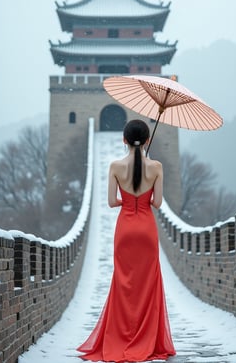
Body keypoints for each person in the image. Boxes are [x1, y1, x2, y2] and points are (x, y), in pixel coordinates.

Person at [77, 119, 176, 362]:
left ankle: (122, 336)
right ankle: (146, 338)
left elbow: (111, 202)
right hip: (146, 229)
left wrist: (127, 202)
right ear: (148, 140)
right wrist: (143, 198)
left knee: (124, 283)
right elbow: (158, 203)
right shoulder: (157, 167)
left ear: (124, 139)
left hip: (125, 229)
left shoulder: (115, 166)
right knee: (148, 284)